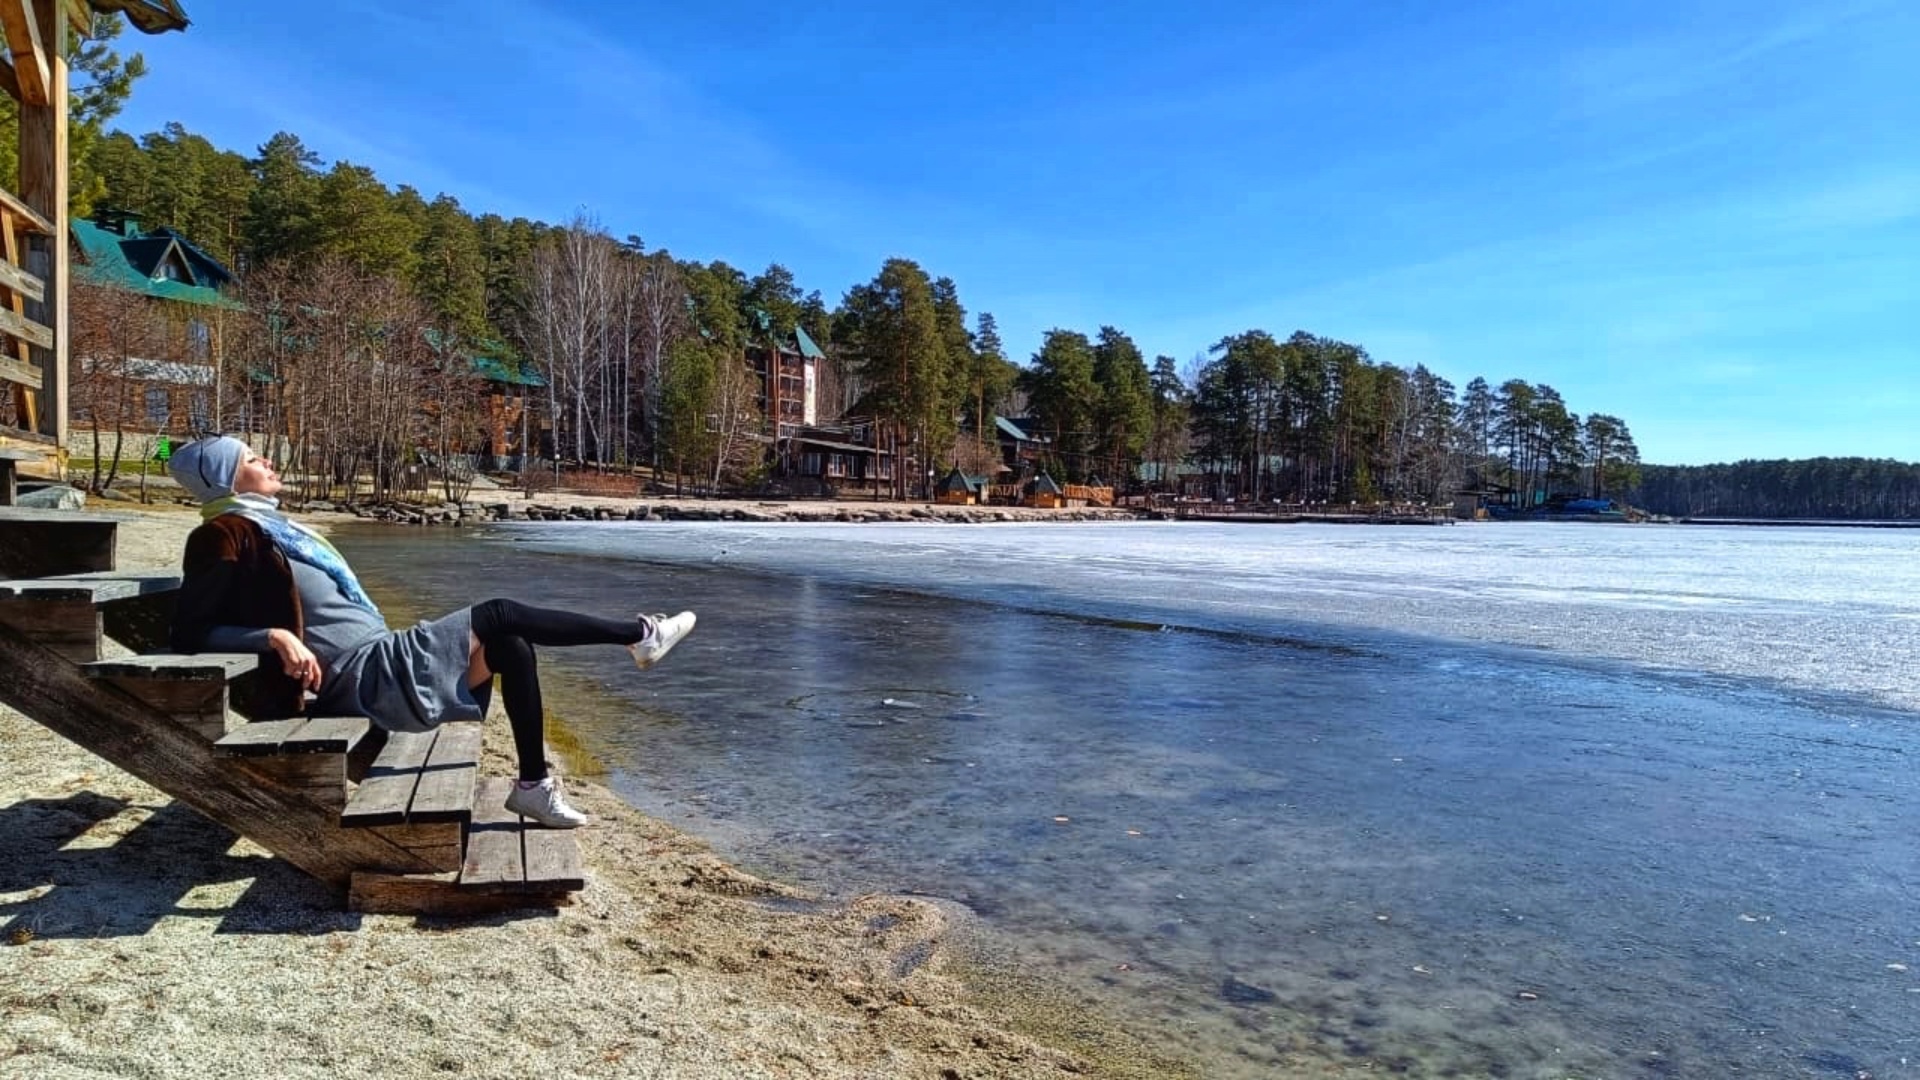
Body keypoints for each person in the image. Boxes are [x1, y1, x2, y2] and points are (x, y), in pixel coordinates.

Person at [165, 435, 695, 828]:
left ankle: (533, 785)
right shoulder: (222, 534)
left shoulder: (269, 525)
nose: (268, 462)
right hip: (359, 675)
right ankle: (639, 634)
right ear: (223, 476)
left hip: (377, 656)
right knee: (501, 612)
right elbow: (192, 633)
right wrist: (273, 638)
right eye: (252, 459)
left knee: (511, 645)